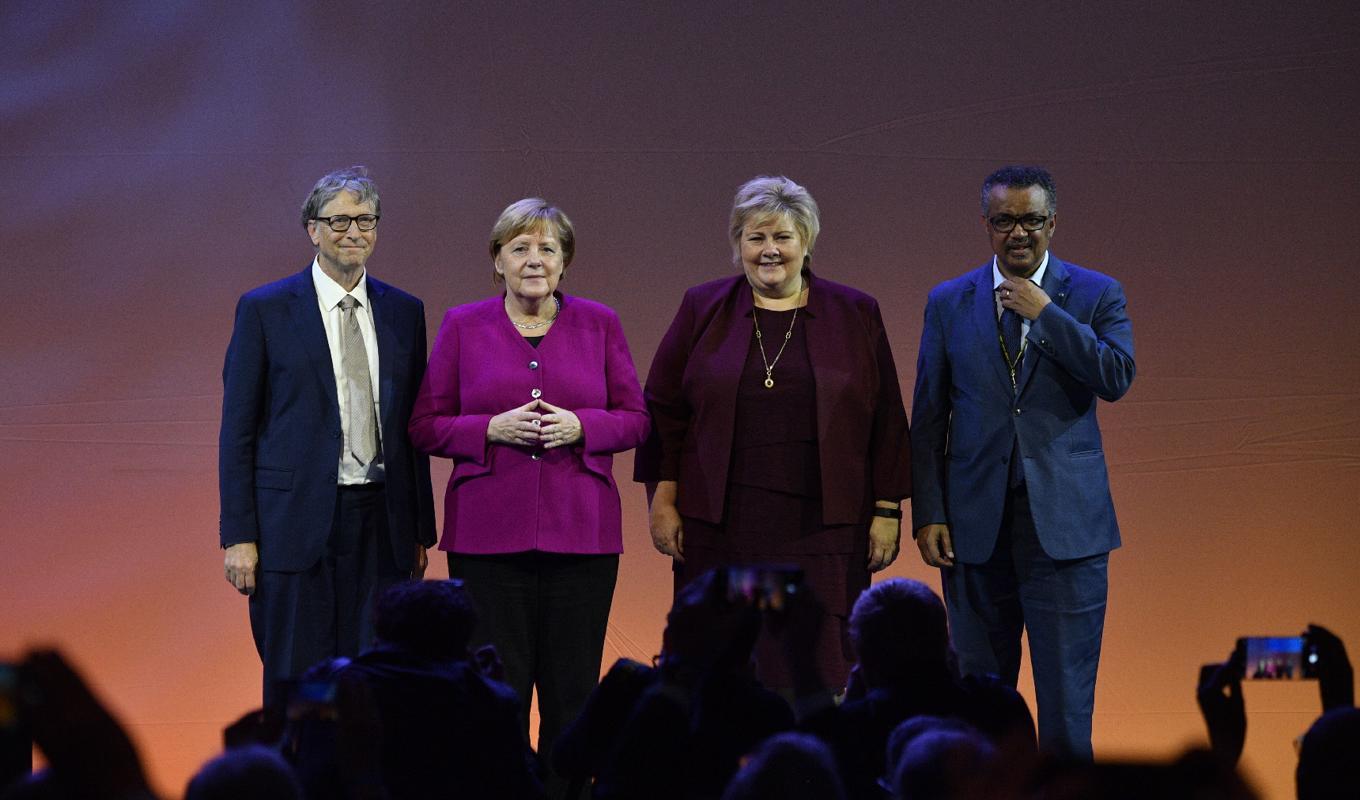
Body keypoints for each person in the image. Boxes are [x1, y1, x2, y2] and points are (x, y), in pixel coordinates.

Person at [408, 198, 649, 796]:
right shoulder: (464, 324)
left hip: (582, 537)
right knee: (498, 694)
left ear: (565, 261)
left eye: (547, 249)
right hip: (488, 541)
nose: (533, 260)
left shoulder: (600, 323)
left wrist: (583, 427)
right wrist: (487, 428)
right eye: (519, 248)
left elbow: (636, 419)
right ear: (498, 261)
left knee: (572, 694)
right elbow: (425, 425)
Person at [636, 175, 911, 693]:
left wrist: (887, 509)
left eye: (782, 237)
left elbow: (886, 416)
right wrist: (663, 496)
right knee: (729, 659)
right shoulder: (703, 306)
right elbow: (664, 408)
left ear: (806, 242)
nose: (769, 251)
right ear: (738, 244)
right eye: (755, 237)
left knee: (815, 661)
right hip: (725, 529)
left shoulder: (855, 312)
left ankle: (812, 768)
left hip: (825, 529)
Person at [910, 165, 1136, 759]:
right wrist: (929, 512)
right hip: (973, 531)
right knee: (979, 709)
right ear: (986, 225)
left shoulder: (1095, 292)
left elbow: (1116, 376)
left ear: (1052, 223)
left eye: (1031, 220)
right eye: (1004, 221)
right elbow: (929, 417)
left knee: (1065, 712)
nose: (1019, 233)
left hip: (1065, 533)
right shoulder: (948, 301)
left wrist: (1047, 314)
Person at [218, 166, 436, 705]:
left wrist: (418, 529)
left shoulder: (405, 311)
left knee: (380, 681)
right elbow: (238, 430)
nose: (353, 231)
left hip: (382, 522)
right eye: (338, 220)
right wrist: (238, 535)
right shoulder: (265, 309)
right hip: (294, 526)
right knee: (298, 684)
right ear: (312, 229)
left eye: (365, 220)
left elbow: (413, 426)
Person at [287, 580, 545, 800]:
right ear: (461, 646)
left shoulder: (329, 686)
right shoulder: (483, 698)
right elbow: (527, 788)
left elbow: (291, 765)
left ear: (381, 633)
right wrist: (495, 689)